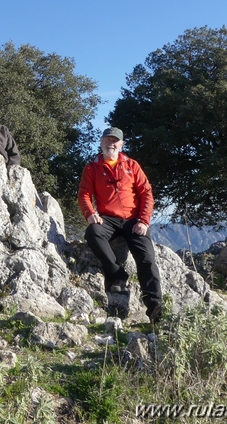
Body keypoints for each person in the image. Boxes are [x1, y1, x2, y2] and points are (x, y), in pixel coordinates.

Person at [77, 127, 163, 322]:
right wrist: (90, 214)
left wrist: (143, 220)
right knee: (93, 233)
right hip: (107, 219)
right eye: (107, 140)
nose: (111, 143)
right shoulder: (92, 167)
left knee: (147, 259)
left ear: (121, 145)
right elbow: (84, 194)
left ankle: (154, 306)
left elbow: (146, 194)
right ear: (101, 142)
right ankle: (118, 274)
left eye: (115, 141)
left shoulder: (132, 165)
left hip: (134, 220)